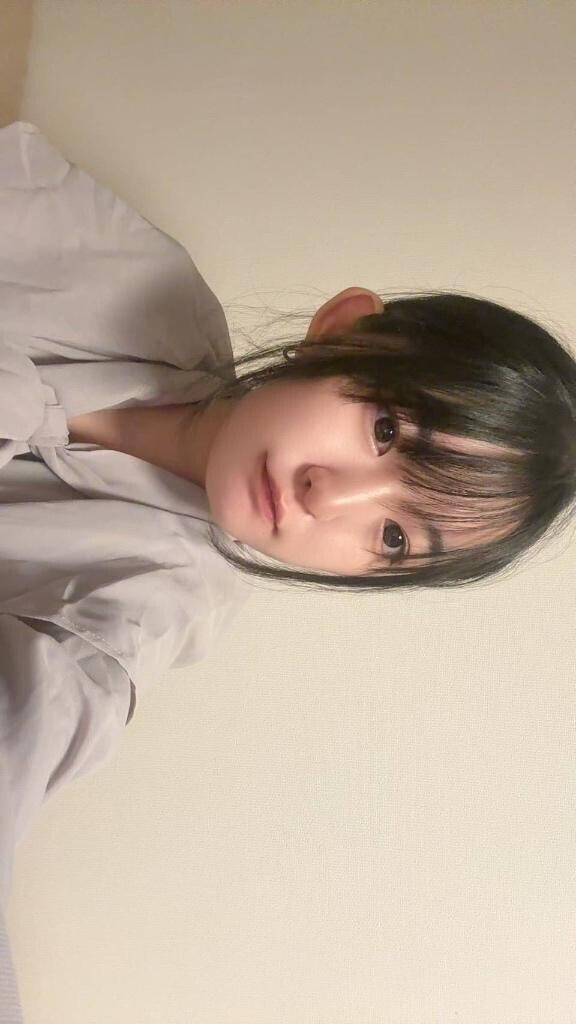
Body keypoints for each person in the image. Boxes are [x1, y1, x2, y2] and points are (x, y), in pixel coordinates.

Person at [0, 120, 574, 1015]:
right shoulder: (135, 282)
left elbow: (42, 713)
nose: (329, 496)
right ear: (345, 331)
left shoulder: (149, 609)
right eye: (386, 429)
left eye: (395, 539)